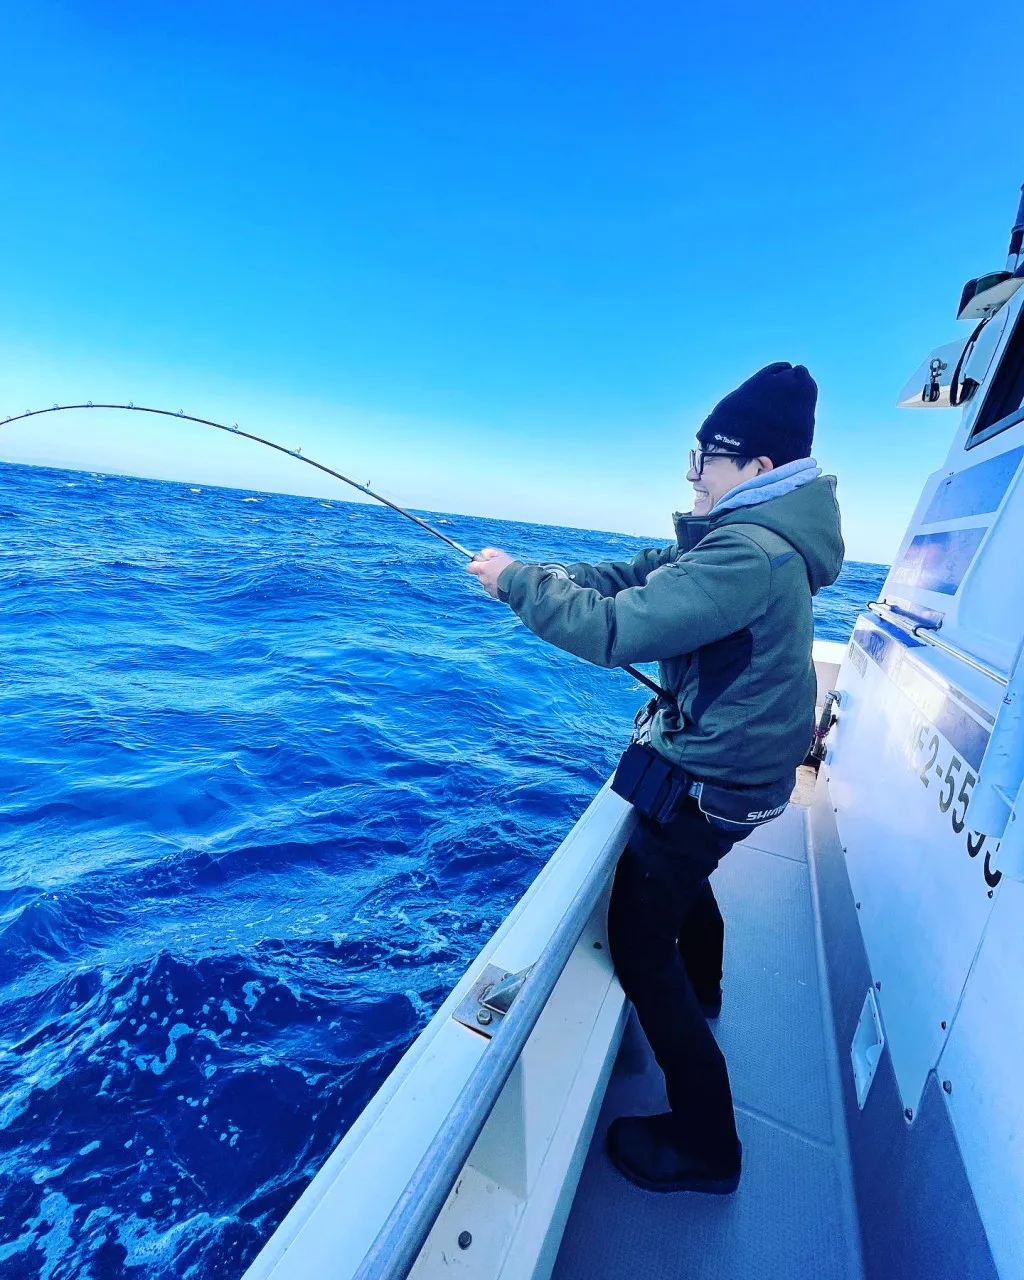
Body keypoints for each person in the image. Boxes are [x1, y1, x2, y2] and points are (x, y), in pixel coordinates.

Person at [467, 362, 844, 1195]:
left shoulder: (747, 552)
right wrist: (534, 573)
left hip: (719, 784)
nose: (690, 470)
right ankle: (705, 988)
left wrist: (512, 585)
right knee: (687, 878)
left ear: (756, 467)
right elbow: (631, 579)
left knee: (641, 942)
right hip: (743, 778)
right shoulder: (750, 540)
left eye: (707, 454)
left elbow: (610, 630)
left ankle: (711, 1148)